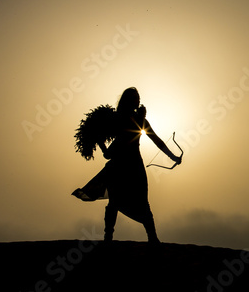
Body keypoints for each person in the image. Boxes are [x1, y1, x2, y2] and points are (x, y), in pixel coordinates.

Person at [72, 87, 182, 244]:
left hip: (130, 166)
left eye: (138, 98)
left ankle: (150, 237)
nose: (138, 101)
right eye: (135, 98)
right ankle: (110, 237)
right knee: (116, 202)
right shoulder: (124, 120)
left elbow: (156, 141)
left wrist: (173, 156)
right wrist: (99, 141)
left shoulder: (134, 120)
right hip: (122, 166)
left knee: (139, 201)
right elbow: (109, 153)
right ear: (129, 101)